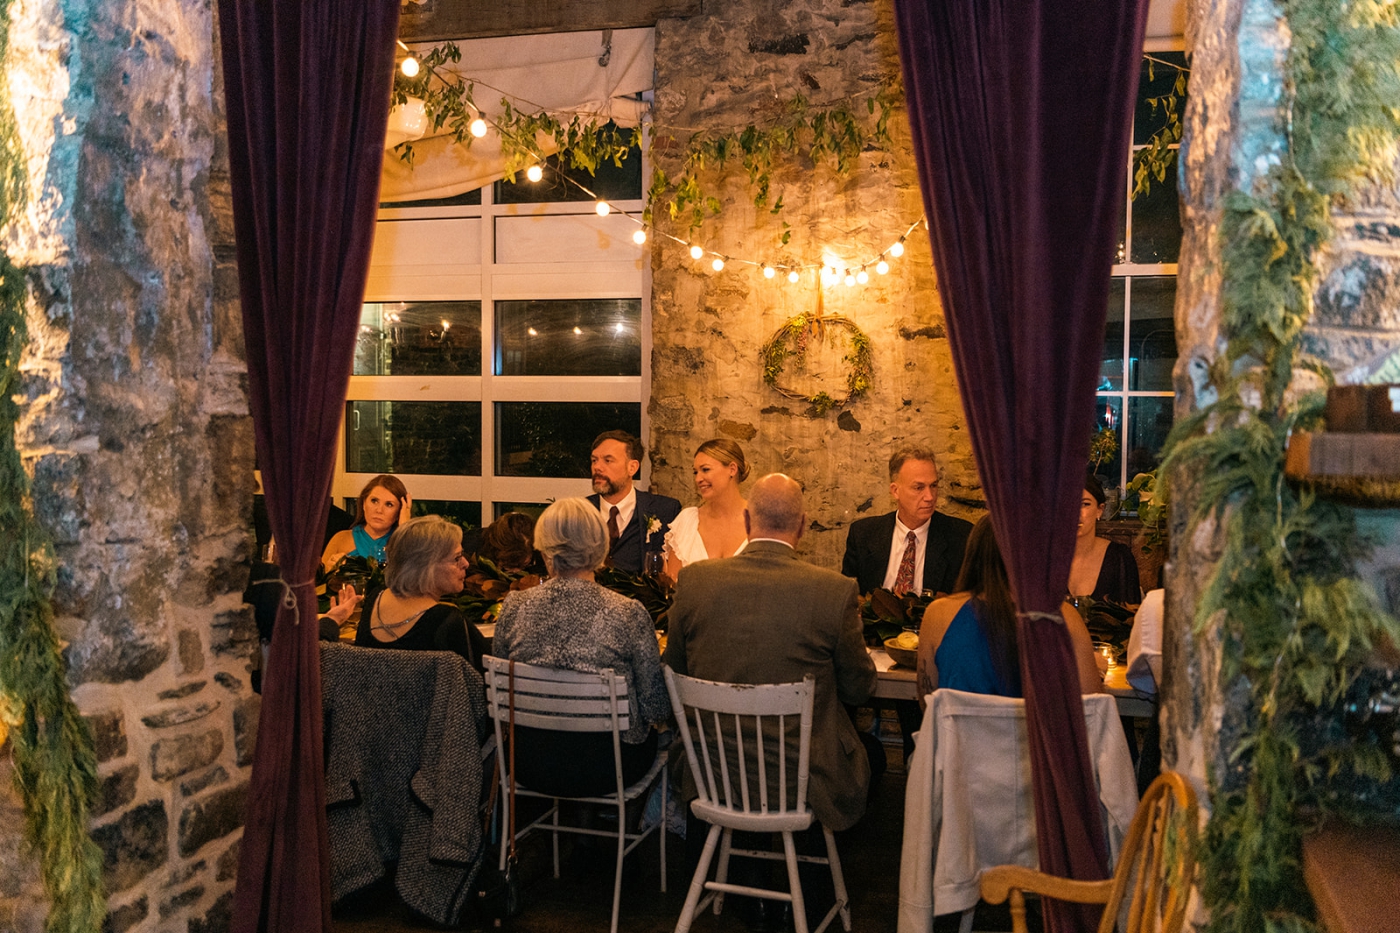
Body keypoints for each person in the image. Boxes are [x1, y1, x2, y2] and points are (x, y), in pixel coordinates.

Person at [665, 473, 878, 832]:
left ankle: (735, 866)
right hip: (802, 778)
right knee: (869, 754)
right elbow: (860, 688)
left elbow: (674, 672)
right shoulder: (834, 592)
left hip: (712, 771)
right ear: (803, 526)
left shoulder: (695, 581)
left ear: (748, 521)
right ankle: (814, 877)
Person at [492, 498, 670, 797]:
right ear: (600, 548)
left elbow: (501, 691)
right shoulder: (627, 612)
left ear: (544, 548)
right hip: (612, 767)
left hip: (530, 763)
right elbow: (656, 706)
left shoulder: (514, 607)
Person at [916, 516, 1102, 707]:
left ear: (974, 554)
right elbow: (1092, 711)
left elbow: (928, 704)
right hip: (1035, 737)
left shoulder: (938, 615)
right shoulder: (1064, 617)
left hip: (959, 736)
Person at [354, 515, 486, 670]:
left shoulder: (375, 599)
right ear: (426, 568)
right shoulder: (446, 620)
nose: (466, 563)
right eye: (457, 558)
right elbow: (487, 679)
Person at [841, 447, 973, 598]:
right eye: (919, 488)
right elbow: (848, 599)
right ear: (895, 491)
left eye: (934, 486)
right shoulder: (863, 534)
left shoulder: (962, 537)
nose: (929, 497)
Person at [585, 430, 682, 575]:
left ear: (632, 467)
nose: (597, 467)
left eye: (608, 460)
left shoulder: (665, 510)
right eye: (594, 460)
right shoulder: (579, 513)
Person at [664, 438, 750, 580]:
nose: (698, 479)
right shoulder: (688, 521)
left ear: (732, 469)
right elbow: (673, 588)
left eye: (705, 470)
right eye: (695, 472)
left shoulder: (761, 523)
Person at [1068, 474, 1141, 604]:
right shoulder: (1041, 559)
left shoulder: (1118, 558)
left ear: (1100, 510)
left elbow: (1130, 618)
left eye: (1085, 504)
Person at [322, 474, 411, 571]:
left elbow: (414, 579)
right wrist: (328, 571)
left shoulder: (405, 543)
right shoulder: (340, 539)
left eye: (389, 504)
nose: (379, 510)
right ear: (364, 504)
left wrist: (404, 528)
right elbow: (317, 581)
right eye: (374, 501)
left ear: (400, 511)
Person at [476, 511, 543, 575]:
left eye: (523, 565)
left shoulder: (541, 558)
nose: (516, 571)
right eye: (509, 565)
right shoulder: (472, 560)